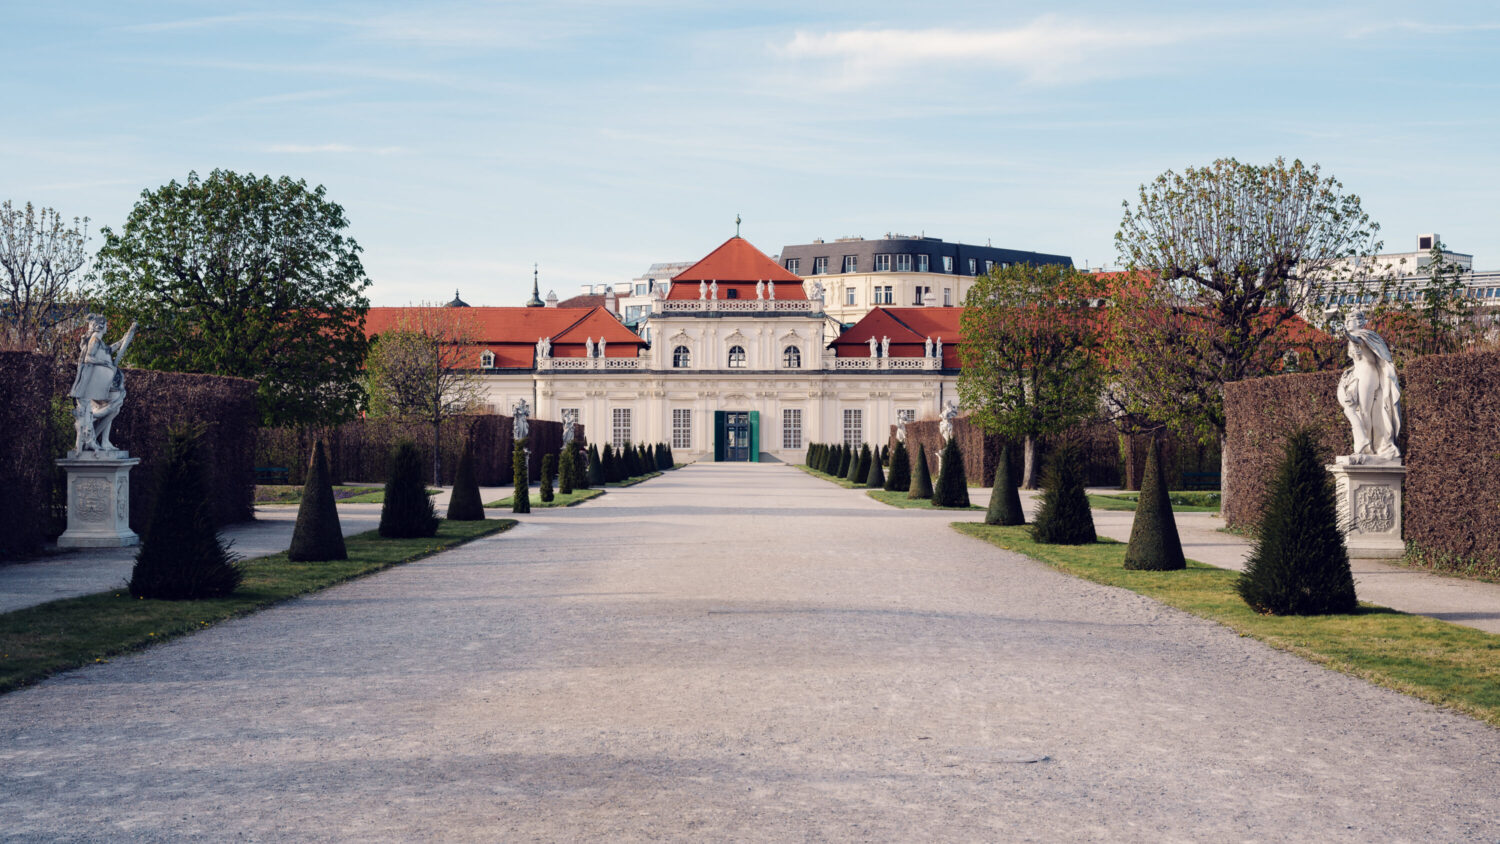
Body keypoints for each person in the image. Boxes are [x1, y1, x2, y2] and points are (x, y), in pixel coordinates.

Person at [1336, 311, 1401, 463]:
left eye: (1350, 319)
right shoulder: (1357, 336)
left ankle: (1365, 449)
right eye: (1346, 319)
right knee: (1356, 411)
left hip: (1368, 374)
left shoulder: (1364, 335)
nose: (1347, 322)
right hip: (1358, 374)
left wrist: (1346, 334)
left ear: (1359, 321)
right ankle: (1365, 445)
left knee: (1364, 411)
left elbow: (1356, 340)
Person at [68, 314, 137, 453]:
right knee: (116, 403)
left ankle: (103, 440)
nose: (107, 327)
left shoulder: (99, 342)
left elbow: (109, 350)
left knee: (115, 407)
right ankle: (93, 421)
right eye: (106, 325)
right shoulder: (94, 341)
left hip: (100, 382)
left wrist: (123, 340)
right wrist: (106, 364)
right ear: (101, 326)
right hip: (94, 384)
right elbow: (88, 358)